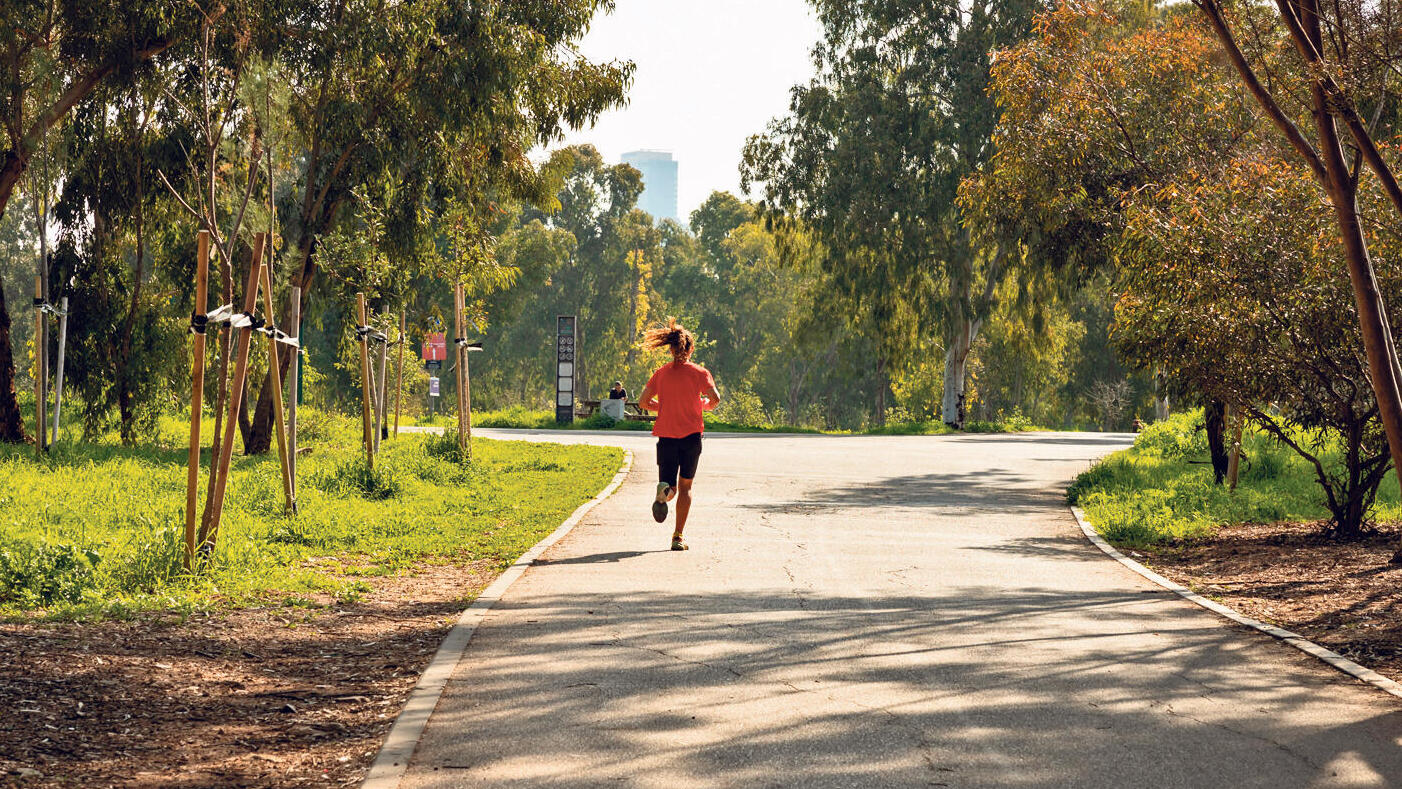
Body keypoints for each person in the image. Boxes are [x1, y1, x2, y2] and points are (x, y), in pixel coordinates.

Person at [638, 318, 721, 551]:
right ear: (690, 348)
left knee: (670, 485)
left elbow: (644, 402)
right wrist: (702, 405)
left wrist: (661, 406)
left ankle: (663, 492)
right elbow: (715, 400)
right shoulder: (700, 373)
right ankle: (677, 536)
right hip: (691, 437)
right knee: (685, 487)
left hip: (666, 438)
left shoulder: (660, 374)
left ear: (671, 349)